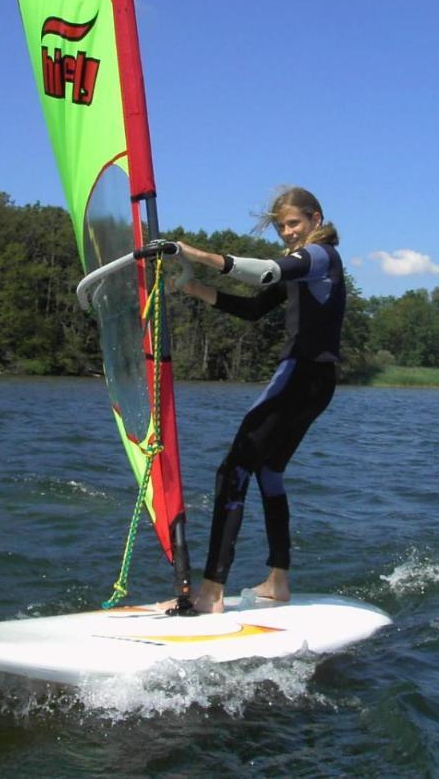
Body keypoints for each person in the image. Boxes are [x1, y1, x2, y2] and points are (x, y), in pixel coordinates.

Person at [170, 187, 345, 614]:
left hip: (301, 375)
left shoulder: (319, 256)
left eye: (294, 224)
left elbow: (266, 272)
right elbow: (252, 309)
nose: (287, 233)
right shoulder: (305, 269)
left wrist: (194, 253)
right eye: (282, 226)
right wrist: (190, 287)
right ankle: (278, 581)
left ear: (315, 219)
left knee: (233, 468)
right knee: (268, 470)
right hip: (319, 382)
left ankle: (211, 591)